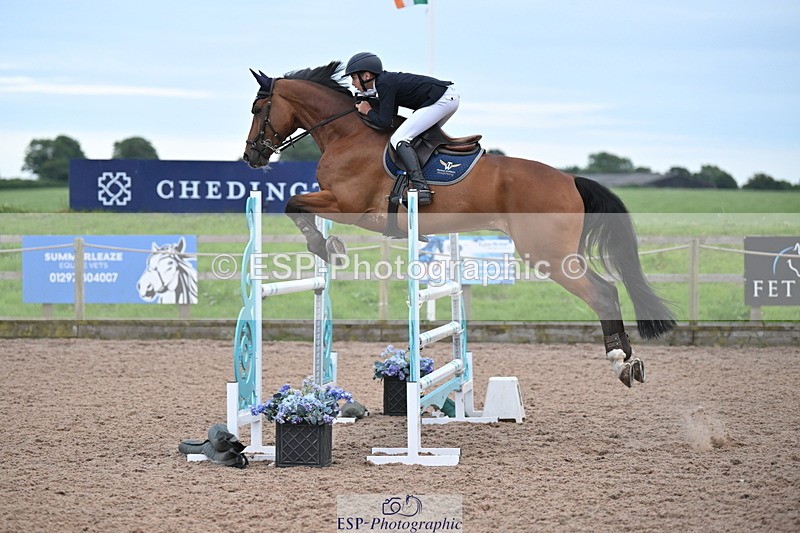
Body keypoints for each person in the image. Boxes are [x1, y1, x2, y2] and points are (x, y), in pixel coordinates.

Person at [345, 52, 459, 206]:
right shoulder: (385, 82)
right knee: (418, 139)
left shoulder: (384, 83)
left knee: (399, 139)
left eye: (353, 78)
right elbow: (391, 115)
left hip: (442, 100)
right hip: (445, 98)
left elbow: (385, 122)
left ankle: (421, 188)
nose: (353, 83)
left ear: (366, 76)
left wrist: (368, 110)